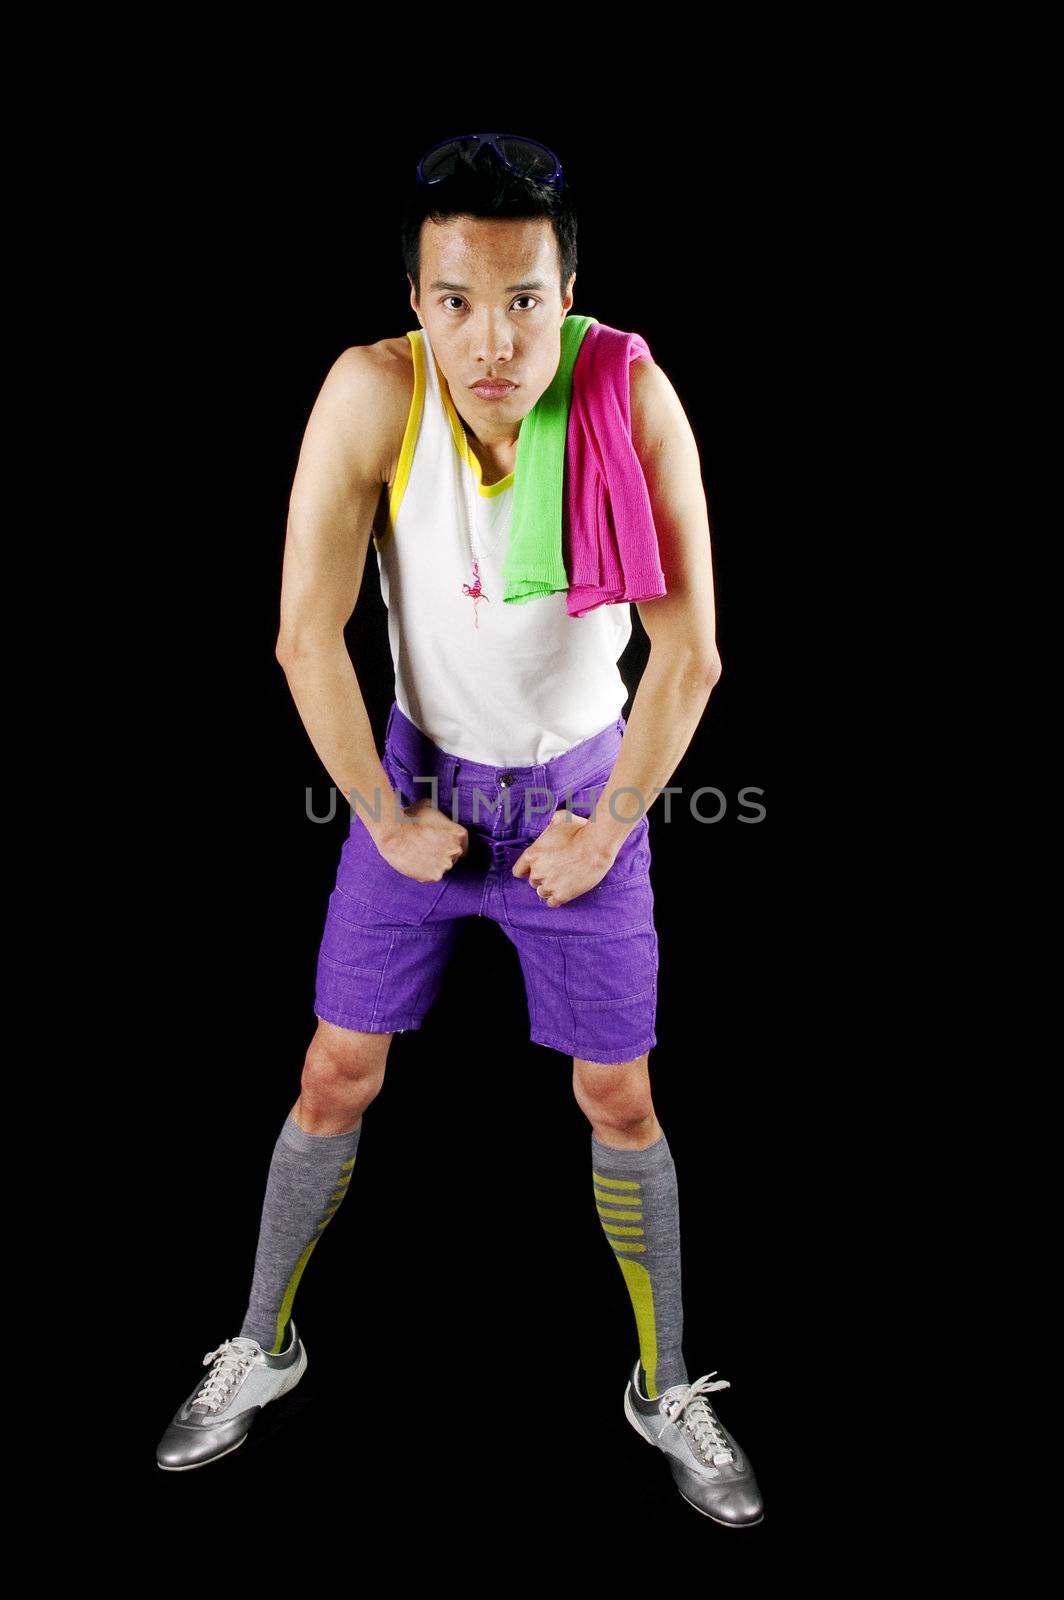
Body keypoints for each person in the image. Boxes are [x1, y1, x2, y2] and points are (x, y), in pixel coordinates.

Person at [155, 132, 763, 1527]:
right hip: (417, 786)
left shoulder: (634, 393)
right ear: (417, 298)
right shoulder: (373, 393)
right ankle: (263, 1343)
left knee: (619, 1099)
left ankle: (666, 1382)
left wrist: (607, 834)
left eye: (526, 300)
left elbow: (692, 660)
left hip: (581, 791)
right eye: (455, 300)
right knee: (332, 1074)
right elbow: (304, 640)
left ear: (570, 292)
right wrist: (386, 814)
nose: (493, 338)